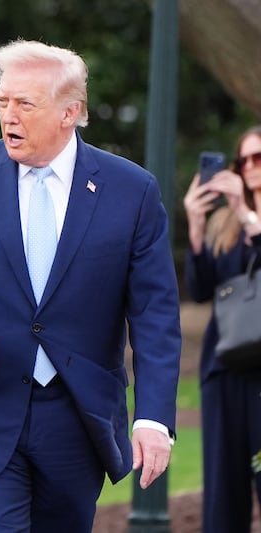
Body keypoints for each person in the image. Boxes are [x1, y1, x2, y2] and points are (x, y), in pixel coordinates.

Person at [0, 39, 180, 531]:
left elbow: (155, 315)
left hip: (77, 420)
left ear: (71, 112)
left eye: (25, 103)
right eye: (3, 101)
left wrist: (154, 418)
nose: (9, 115)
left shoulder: (132, 191)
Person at [183, 126, 261, 533]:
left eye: (258, 158)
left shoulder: (245, 219)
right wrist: (197, 224)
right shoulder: (224, 224)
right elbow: (200, 291)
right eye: (242, 160)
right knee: (223, 489)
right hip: (225, 367)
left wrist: (250, 217)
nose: (249, 168)